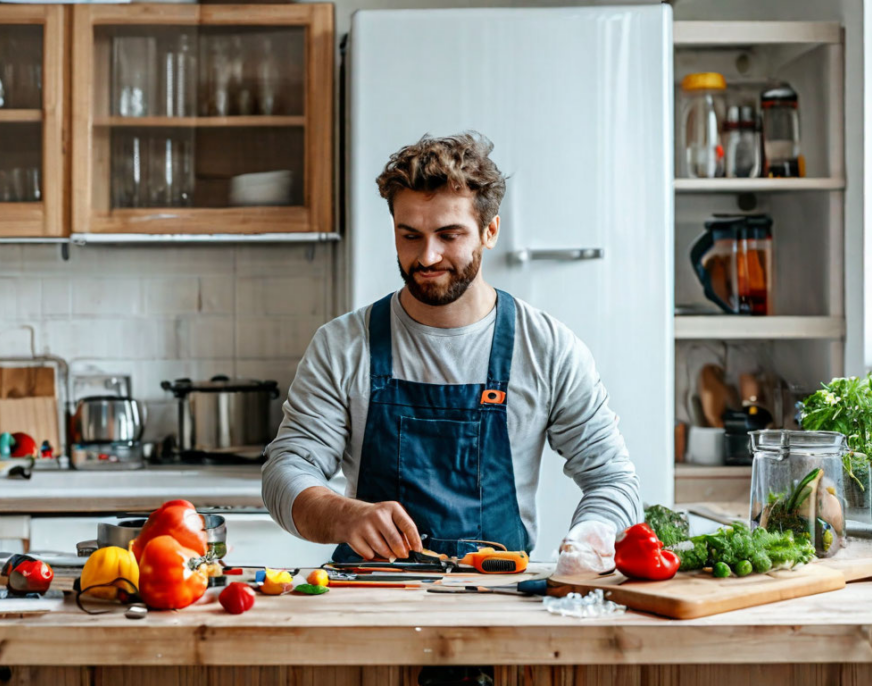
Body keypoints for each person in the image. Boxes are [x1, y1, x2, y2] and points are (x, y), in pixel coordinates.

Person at [261, 132, 639, 572]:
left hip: (497, 600)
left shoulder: (547, 348)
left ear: (489, 231)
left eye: (449, 234)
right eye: (410, 235)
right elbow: (285, 472)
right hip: (371, 596)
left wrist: (591, 536)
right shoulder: (342, 346)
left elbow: (613, 479)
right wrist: (344, 515)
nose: (427, 256)